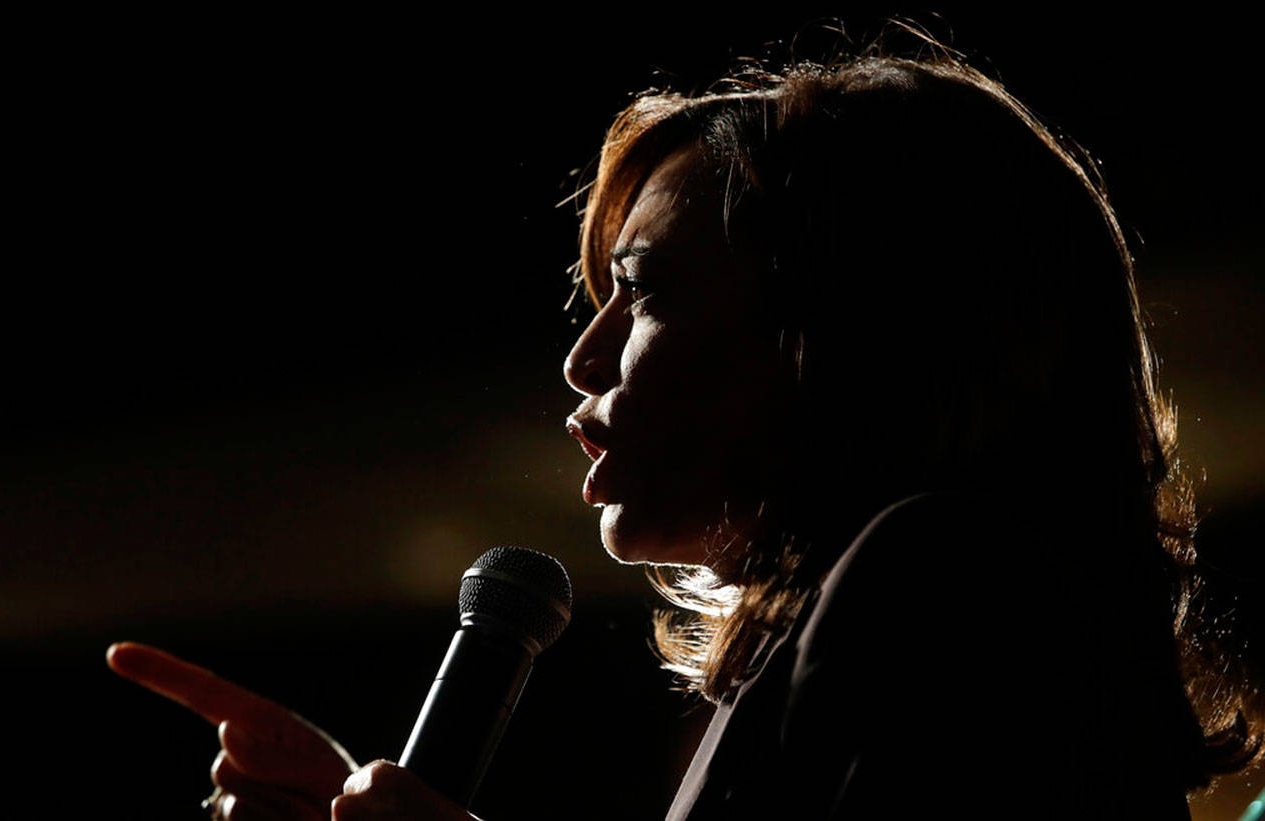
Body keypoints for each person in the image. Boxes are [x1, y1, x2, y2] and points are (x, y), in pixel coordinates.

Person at [107, 29, 1262, 820]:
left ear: (840, 323)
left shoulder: (942, 579)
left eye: (645, 289)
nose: (583, 356)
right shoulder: (889, 618)